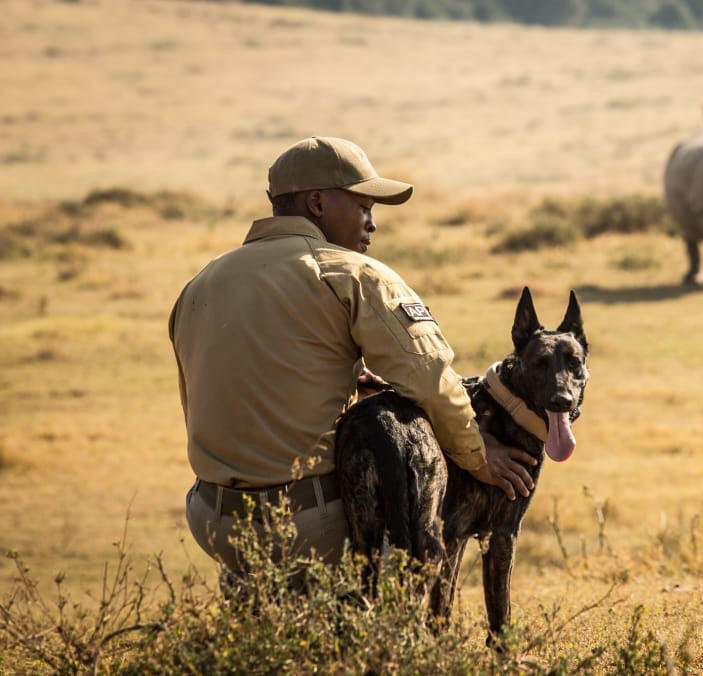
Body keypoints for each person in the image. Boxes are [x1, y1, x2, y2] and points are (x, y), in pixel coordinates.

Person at [169, 136, 536, 576]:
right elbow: (432, 381)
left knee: (266, 629)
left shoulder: (202, 282)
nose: (371, 224)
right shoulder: (353, 275)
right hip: (310, 522)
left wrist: (342, 383)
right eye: (363, 207)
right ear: (318, 204)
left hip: (213, 521)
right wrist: (479, 455)